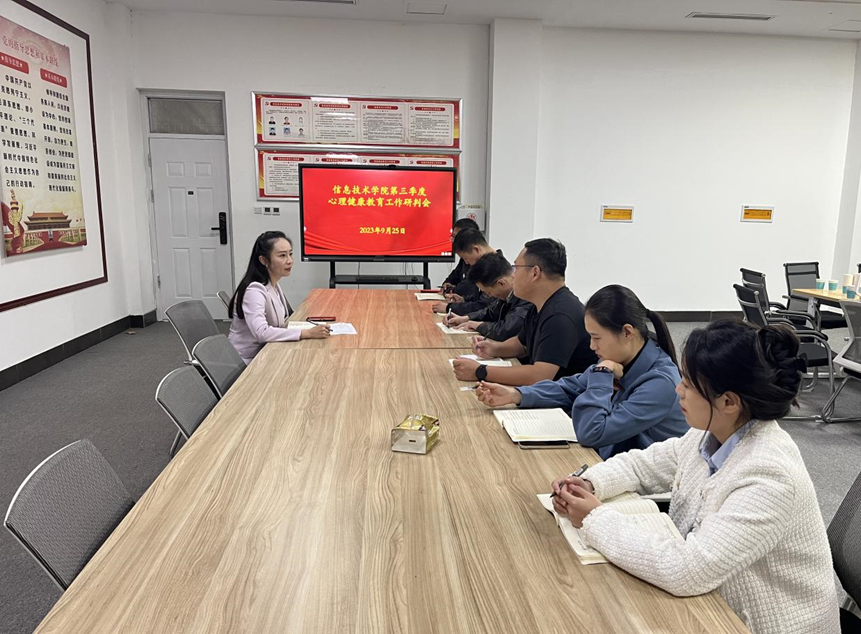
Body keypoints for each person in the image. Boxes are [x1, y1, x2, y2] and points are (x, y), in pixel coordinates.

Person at [550, 320, 840, 634]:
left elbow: (687, 570)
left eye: (688, 384)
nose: (678, 390)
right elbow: (643, 465)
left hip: (764, 625)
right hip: (713, 602)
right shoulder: (712, 434)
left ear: (729, 402)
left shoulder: (769, 476)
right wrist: (591, 482)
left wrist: (593, 518)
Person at [475, 285, 686, 458]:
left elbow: (593, 433)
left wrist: (602, 374)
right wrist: (516, 394)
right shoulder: (618, 359)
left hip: (643, 486)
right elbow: (569, 387)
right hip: (609, 462)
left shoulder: (660, 382)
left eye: (597, 337)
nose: (592, 346)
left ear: (627, 333)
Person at [452, 238, 596, 386]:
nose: (513, 275)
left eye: (516, 268)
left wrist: (480, 371)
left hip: (567, 399)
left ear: (535, 273)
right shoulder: (540, 304)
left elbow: (540, 376)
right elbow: (522, 345)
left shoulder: (560, 315)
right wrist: (494, 349)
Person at [228, 231, 330, 364]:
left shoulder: (273, 284)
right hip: (249, 360)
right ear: (264, 260)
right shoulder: (254, 290)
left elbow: (282, 322)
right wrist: (307, 333)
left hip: (269, 351)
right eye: (282, 255)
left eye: (290, 254)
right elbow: (261, 332)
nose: (290, 261)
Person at [443, 252, 532, 342]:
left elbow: (506, 330)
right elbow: (490, 312)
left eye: (488, 293)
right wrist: (465, 318)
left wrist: (477, 325)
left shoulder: (526, 296)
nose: (489, 296)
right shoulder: (507, 295)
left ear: (501, 283)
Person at [435, 218, 480, 311]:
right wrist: (448, 286)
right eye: (453, 236)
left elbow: (465, 289)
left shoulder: (484, 265)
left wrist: (450, 307)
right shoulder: (465, 259)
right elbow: (453, 278)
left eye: (456, 237)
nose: (453, 241)